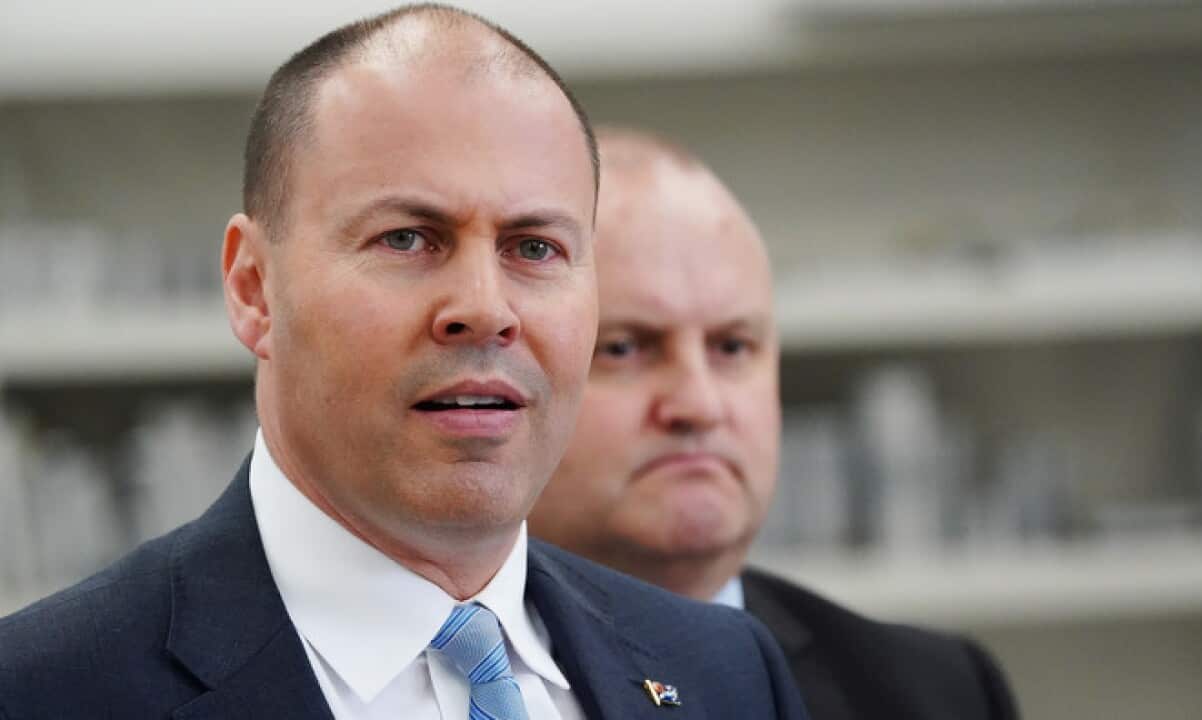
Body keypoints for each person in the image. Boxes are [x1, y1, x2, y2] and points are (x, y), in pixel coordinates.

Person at [0, 7, 810, 719]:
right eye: (408, 239)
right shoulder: (39, 691)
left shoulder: (727, 673)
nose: (486, 309)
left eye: (534, 247)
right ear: (253, 288)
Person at [529, 128, 1020, 719]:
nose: (700, 404)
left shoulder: (938, 692)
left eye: (733, 347)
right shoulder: (456, 681)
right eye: (624, 348)